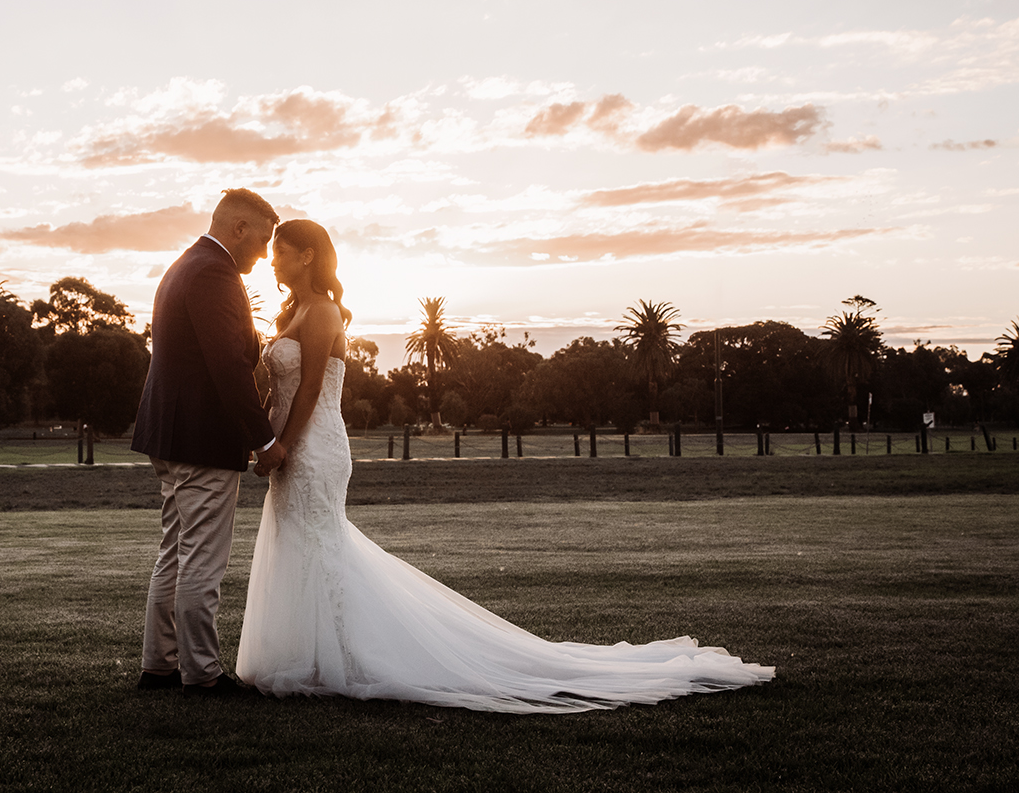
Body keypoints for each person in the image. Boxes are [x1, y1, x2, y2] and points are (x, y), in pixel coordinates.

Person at [236, 219, 775, 713]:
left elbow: (309, 388)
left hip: (314, 446)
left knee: (321, 545)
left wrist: (282, 444)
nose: (274, 261)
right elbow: (278, 388)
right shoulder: (293, 313)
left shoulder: (324, 311)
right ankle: (309, 656)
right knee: (301, 545)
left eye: (282, 253)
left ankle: (348, 658)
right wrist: (264, 439)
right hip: (289, 443)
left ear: (308, 257)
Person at [132, 188, 289, 697]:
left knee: (175, 551)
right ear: (239, 228)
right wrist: (264, 439)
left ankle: (159, 665)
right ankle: (200, 674)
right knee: (202, 558)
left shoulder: (184, 264)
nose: (264, 254)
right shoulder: (214, 273)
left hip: (170, 433)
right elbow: (228, 365)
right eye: (262, 240)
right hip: (201, 437)